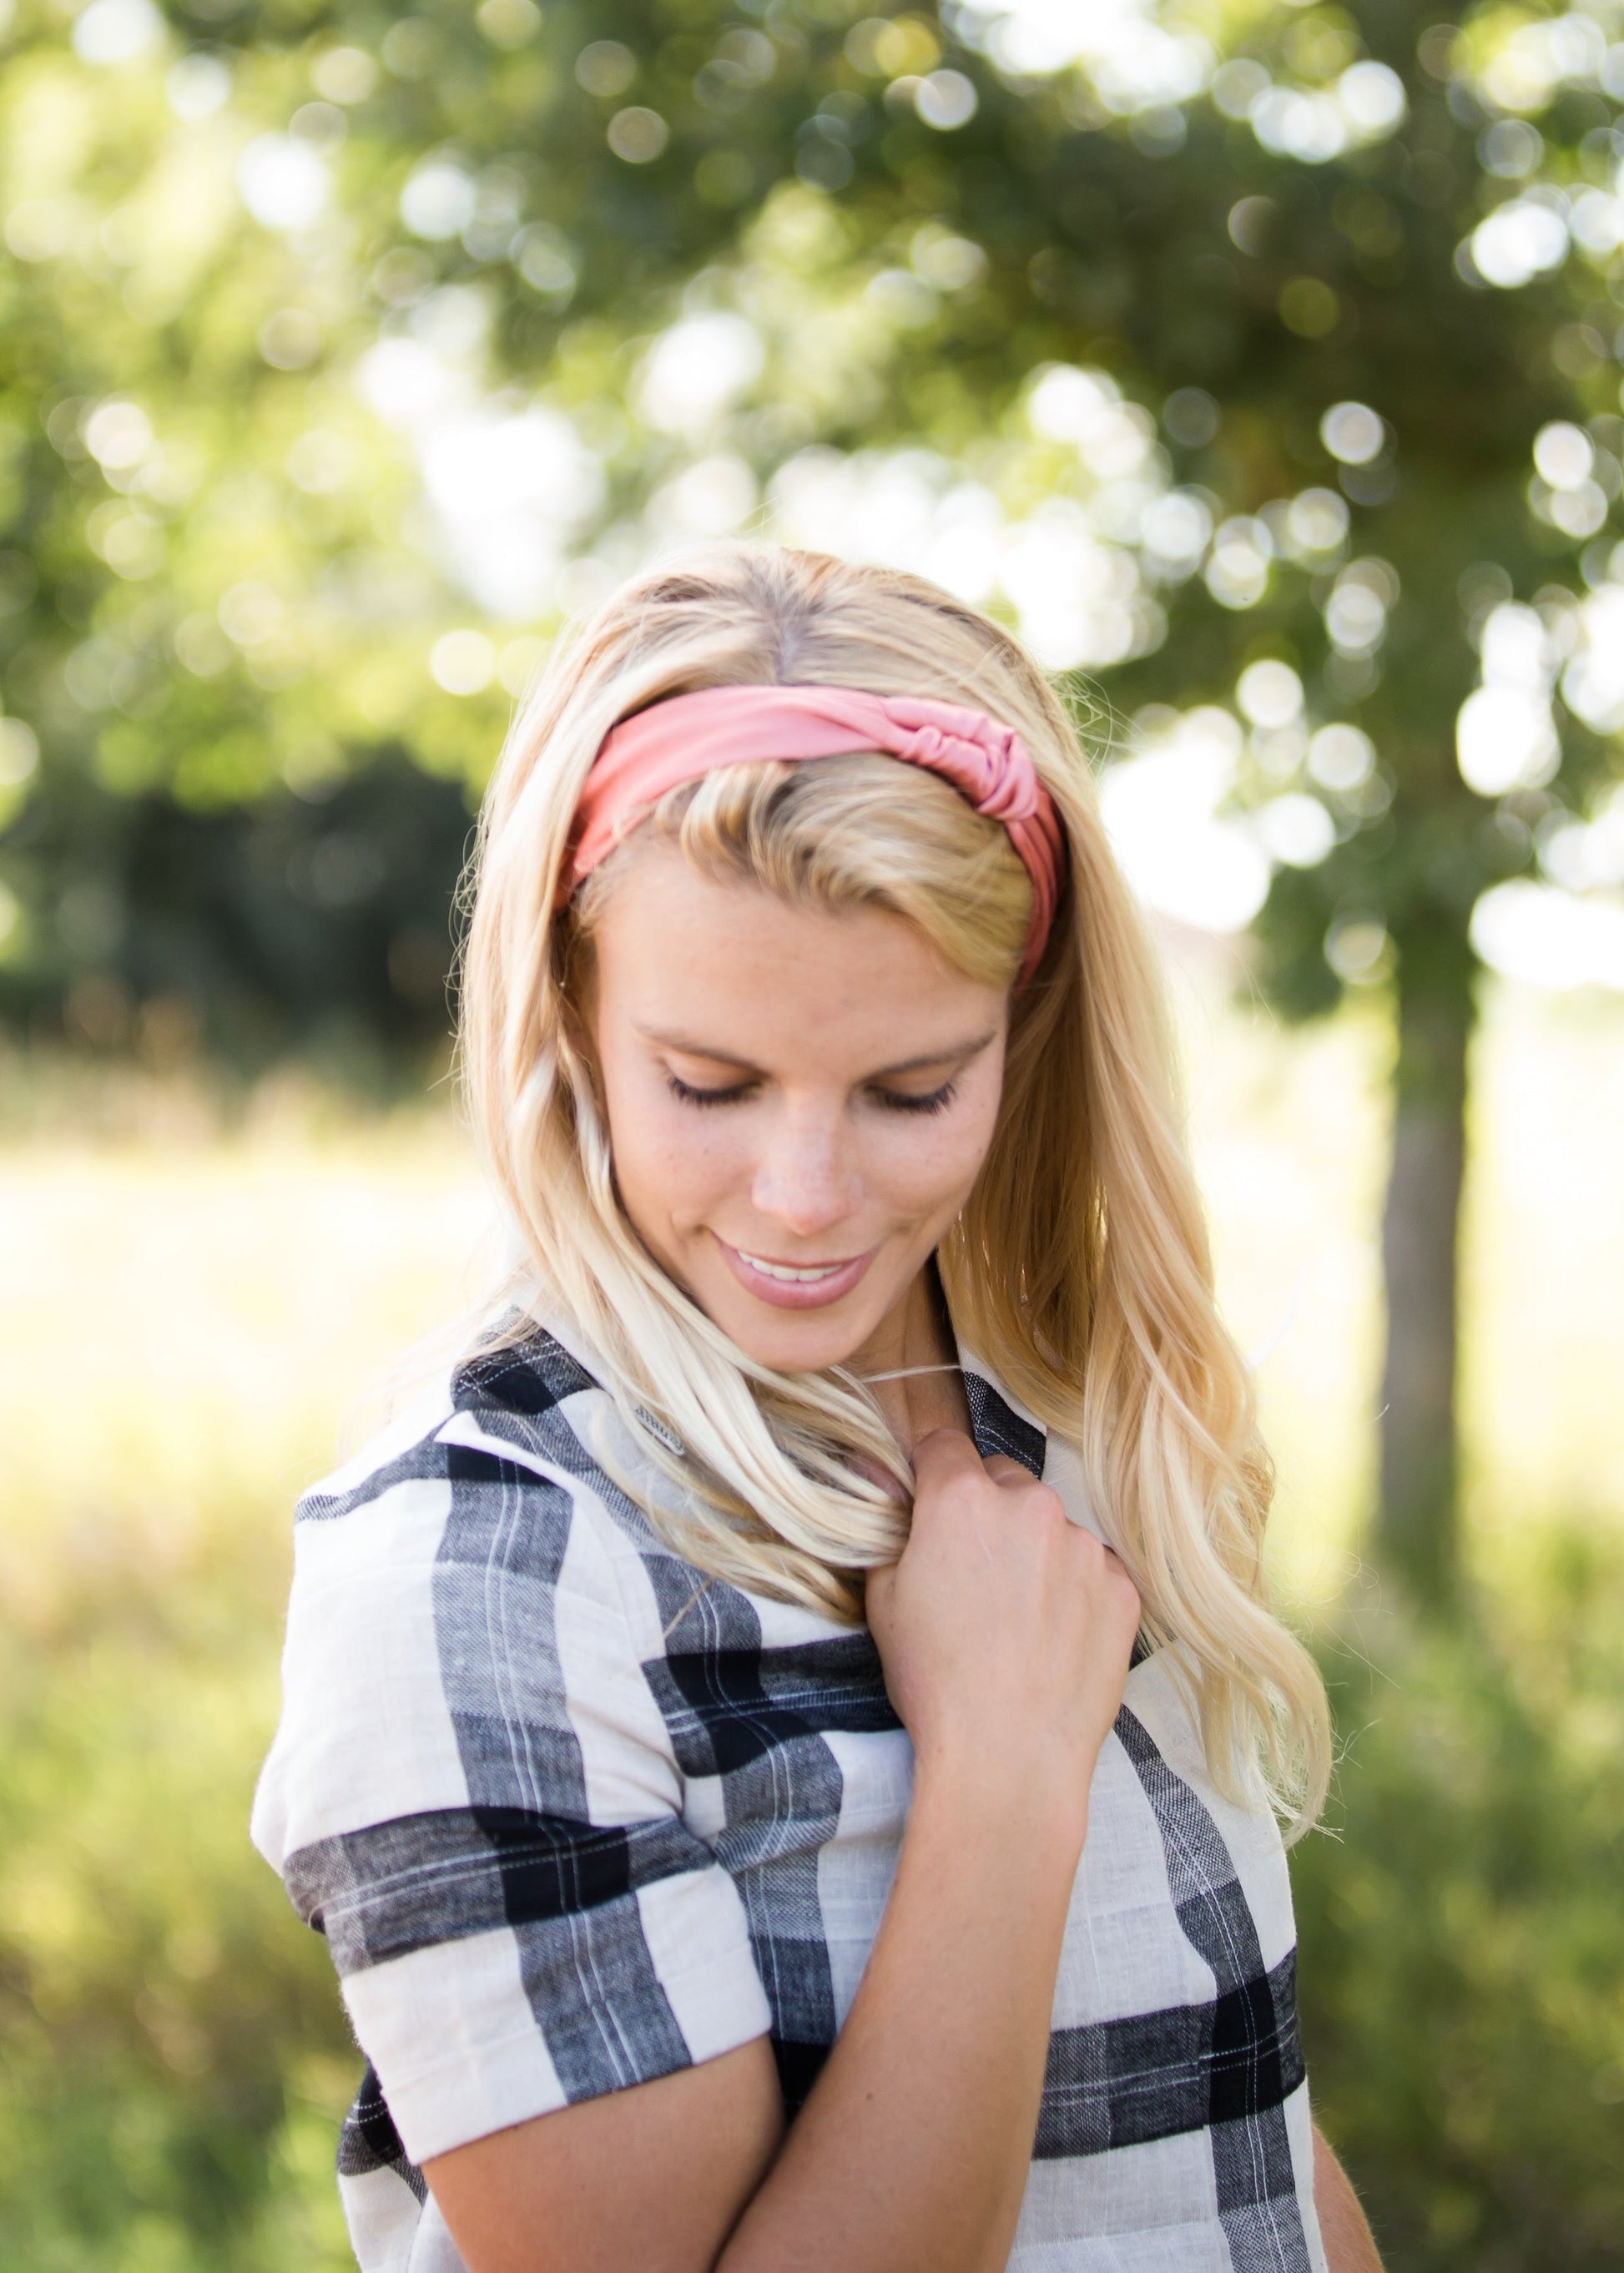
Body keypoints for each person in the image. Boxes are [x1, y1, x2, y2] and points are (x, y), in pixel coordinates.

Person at [251, 543, 1383, 2273]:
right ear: (568, 1007)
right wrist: (1001, 1780)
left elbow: (1247, 2143)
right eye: (709, 1083)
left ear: (1024, 1031)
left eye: (910, 1089)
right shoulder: (484, 1570)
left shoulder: (1091, 1448)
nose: (801, 1196)